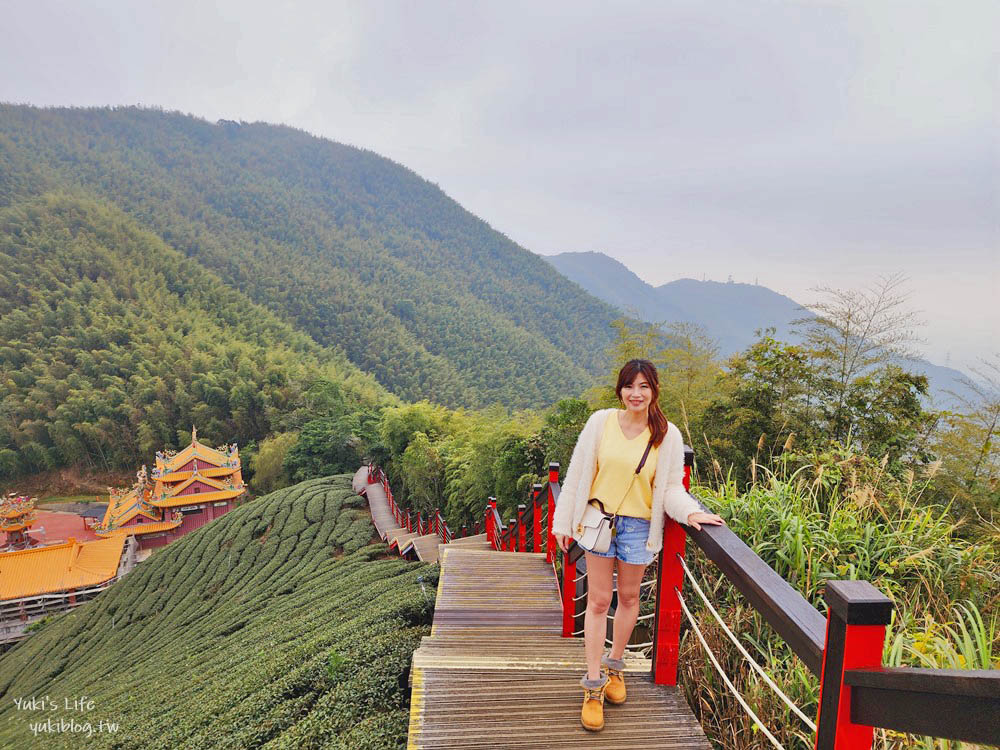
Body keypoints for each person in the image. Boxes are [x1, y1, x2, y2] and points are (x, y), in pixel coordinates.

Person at [551, 359, 725, 731]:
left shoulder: (667, 435)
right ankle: (593, 684)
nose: (636, 394)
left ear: (654, 391)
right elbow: (578, 471)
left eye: (644, 386)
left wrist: (691, 514)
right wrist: (563, 522)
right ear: (620, 390)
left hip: (639, 528)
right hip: (600, 521)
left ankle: (616, 667)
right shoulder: (600, 422)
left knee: (629, 599)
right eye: (630, 386)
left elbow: (672, 488)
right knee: (599, 601)